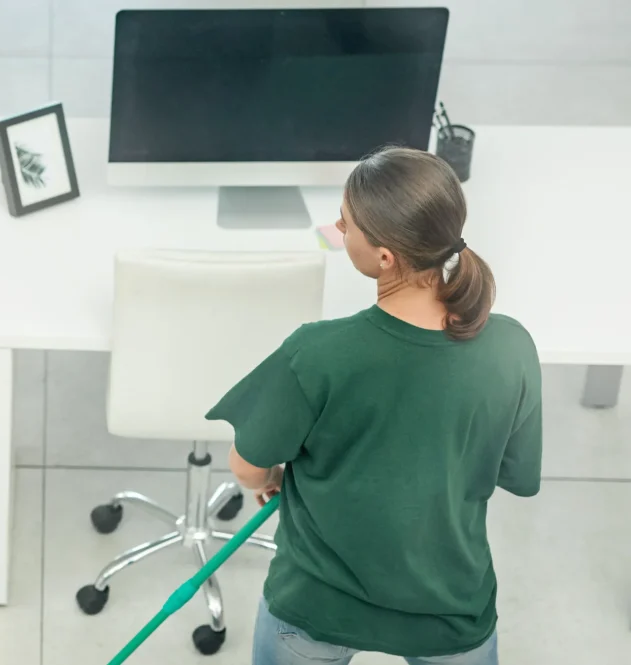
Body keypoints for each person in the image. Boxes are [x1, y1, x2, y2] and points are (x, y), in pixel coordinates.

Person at [207, 148, 542, 665]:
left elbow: (248, 467)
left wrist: (271, 477)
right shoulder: (512, 347)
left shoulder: (316, 353)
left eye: (347, 223)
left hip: (316, 606)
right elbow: (514, 474)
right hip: (450, 611)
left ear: (385, 257)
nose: (338, 228)